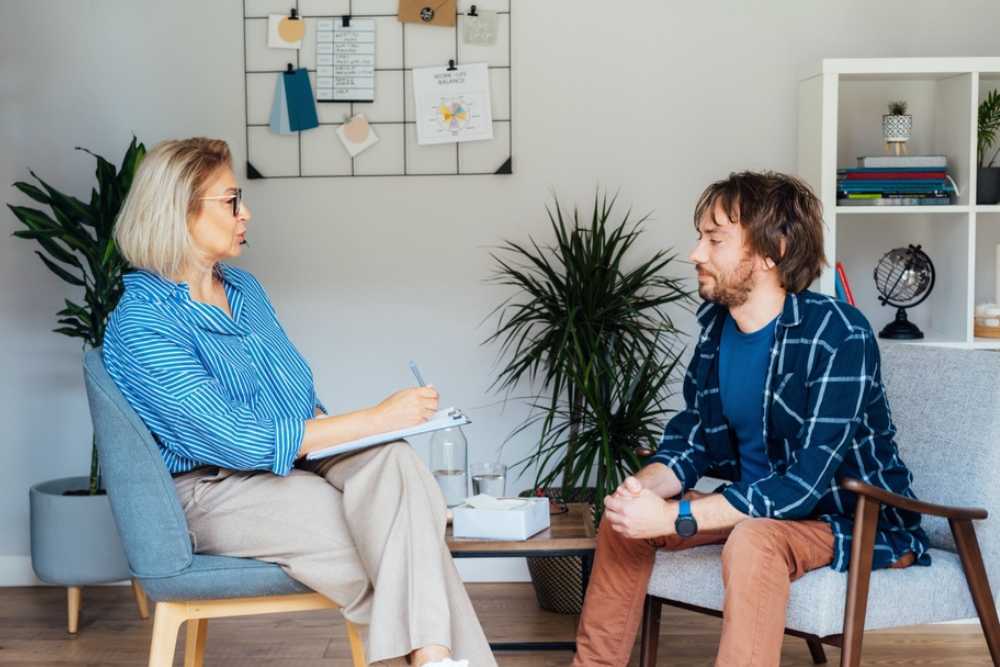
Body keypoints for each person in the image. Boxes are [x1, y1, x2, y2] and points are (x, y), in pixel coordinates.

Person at [102, 137, 496, 667]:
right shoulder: (142, 324)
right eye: (232, 200)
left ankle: (432, 659)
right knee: (396, 528)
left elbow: (298, 399)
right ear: (180, 210)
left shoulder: (244, 289)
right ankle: (434, 656)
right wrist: (376, 417)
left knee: (394, 462)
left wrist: (371, 435)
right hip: (215, 486)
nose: (247, 213)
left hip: (293, 458)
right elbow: (237, 441)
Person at [572, 171, 930, 667]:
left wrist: (679, 515)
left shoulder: (838, 333)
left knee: (754, 541)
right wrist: (641, 493)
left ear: (772, 252)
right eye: (700, 237)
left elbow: (805, 484)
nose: (695, 253)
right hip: (758, 510)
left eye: (715, 239)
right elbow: (692, 442)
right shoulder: (716, 330)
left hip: (849, 517)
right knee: (622, 522)